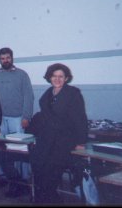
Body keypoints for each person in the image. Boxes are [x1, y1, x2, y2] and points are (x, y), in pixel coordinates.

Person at [28, 63, 88, 204]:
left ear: (66, 78)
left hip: (64, 142)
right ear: (49, 77)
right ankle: (45, 200)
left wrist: (81, 142)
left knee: (50, 175)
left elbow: (80, 119)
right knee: (37, 166)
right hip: (46, 140)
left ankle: (49, 200)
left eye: (61, 76)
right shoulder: (47, 94)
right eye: (54, 76)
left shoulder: (73, 93)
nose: (57, 79)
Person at [0, 47, 34, 187]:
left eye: (8, 57)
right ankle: (3, 176)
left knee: (20, 149)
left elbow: (29, 97)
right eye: (2, 58)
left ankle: (24, 178)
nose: (5, 60)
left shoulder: (22, 75)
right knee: (2, 148)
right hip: (0, 119)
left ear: (12, 58)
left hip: (18, 118)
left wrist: (26, 117)